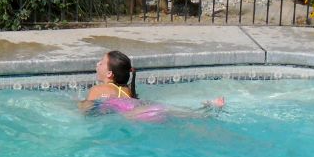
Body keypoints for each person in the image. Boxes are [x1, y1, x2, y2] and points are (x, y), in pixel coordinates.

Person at [80, 50, 225, 118]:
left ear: (109, 74)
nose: (97, 64)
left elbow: (86, 110)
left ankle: (206, 112)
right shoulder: (126, 90)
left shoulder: (98, 89)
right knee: (181, 114)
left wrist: (78, 104)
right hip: (148, 108)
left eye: (101, 62)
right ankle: (207, 109)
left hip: (138, 115)